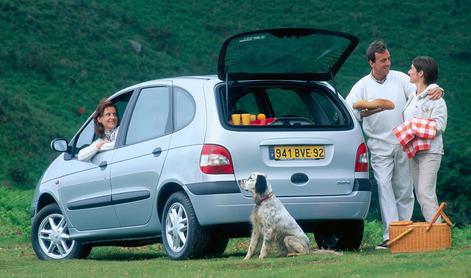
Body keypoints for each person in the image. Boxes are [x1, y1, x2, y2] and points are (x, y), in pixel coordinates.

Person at [345, 41, 443, 249]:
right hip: (378, 146)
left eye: (388, 59)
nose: (388, 63)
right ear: (372, 62)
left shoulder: (400, 78)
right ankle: (390, 235)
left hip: (404, 143)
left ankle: (405, 232)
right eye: (383, 61)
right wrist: (368, 111)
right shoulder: (361, 86)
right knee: (384, 187)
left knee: (405, 189)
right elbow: (350, 112)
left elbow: (422, 89)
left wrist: (437, 89)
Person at [402, 56, 447, 222]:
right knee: (422, 194)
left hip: (430, 151)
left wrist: (413, 127)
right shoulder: (412, 95)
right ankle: (438, 231)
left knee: (425, 192)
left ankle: (436, 232)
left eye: (412, 68)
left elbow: (440, 125)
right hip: (414, 151)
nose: (409, 71)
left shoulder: (436, 98)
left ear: (420, 73)